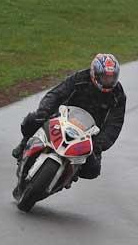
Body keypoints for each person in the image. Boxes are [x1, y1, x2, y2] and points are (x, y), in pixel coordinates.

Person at [12, 53, 126, 181]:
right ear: (95, 73)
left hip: (89, 133)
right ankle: (24, 145)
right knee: (33, 119)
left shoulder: (118, 95)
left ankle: (70, 174)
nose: (108, 81)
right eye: (104, 77)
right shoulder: (80, 78)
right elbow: (56, 93)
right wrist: (44, 111)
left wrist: (100, 143)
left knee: (93, 170)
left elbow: (115, 123)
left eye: (111, 78)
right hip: (63, 118)